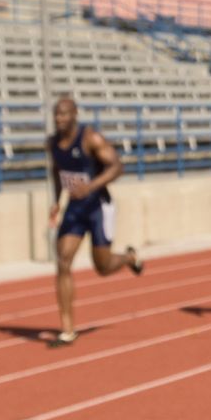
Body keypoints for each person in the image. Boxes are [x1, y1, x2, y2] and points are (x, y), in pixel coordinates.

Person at [47, 98, 142, 348]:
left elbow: (117, 167)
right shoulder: (52, 143)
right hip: (74, 210)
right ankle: (67, 330)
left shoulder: (91, 138)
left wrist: (90, 186)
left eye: (64, 114)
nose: (59, 119)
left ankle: (129, 258)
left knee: (103, 266)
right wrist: (57, 201)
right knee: (63, 260)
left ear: (75, 114)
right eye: (56, 114)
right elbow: (56, 171)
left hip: (98, 206)